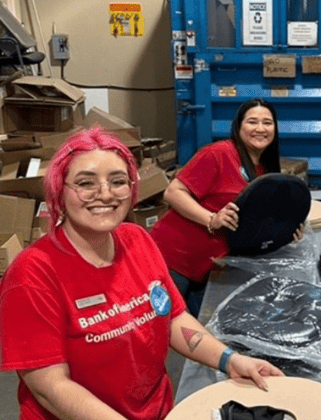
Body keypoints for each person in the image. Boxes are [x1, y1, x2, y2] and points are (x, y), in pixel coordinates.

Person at [0, 127, 283, 420]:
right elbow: (50, 386)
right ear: (59, 189)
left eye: (118, 181)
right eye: (86, 183)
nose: (105, 194)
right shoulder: (32, 274)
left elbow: (172, 317)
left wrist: (230, 360)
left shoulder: (137, 240)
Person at [151, 98, 302, 316]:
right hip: (174, 257)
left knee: (199, 329)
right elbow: (173, 192)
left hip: (208, 267)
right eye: (252, 122)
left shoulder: (265, 169)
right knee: (160, 326)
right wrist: (211, 218)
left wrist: (286, 231)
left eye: (267, 123)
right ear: (239, 127)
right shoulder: (219, 154)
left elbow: (256, 222)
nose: (260, 128)